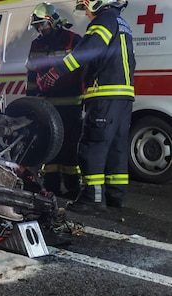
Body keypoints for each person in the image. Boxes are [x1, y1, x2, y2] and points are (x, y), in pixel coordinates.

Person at [37, 0, 134, 212]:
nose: (87, 15)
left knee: (93, 146)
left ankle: (93, 198)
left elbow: (89, 50)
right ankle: (116, 196)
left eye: (87, 8)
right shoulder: (121, 22)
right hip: (124, 96)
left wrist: (56, 72)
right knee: (116, 148)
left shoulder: (103, 21)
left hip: (104, 95)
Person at [25, 2, 83, 199]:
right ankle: (51, 188)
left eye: (43, 24)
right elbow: (32, 76)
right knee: (49, 148)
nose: (40, 29)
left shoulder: (73, 40)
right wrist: (30, 103)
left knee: (69, 148)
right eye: (37, 26)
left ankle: (73, 188)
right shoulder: (36, 45)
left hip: (71, 104)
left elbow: (85, 70)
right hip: (47, 107)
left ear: (54, 21)